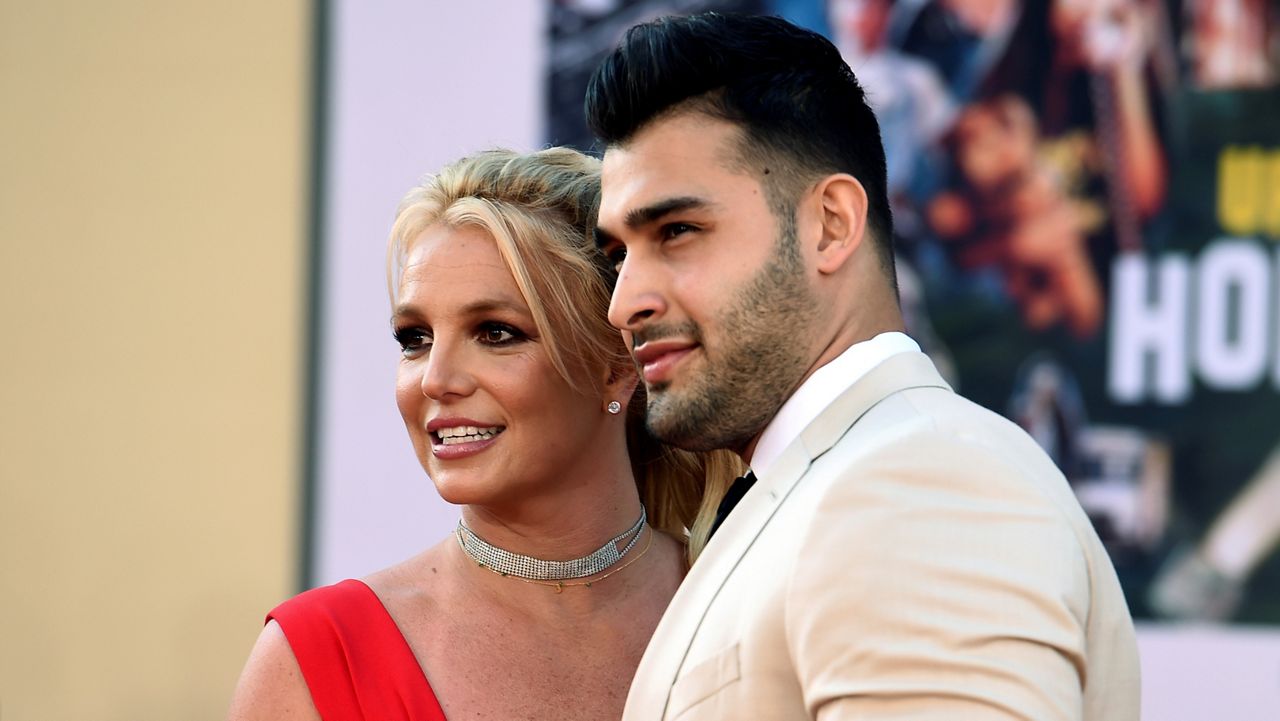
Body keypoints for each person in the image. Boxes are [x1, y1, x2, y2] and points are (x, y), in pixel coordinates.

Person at [586, 13, 1140, 720]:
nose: (624, 303)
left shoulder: (921, 485)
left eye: (677, 231)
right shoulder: (842, 482)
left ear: (832, 224)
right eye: (618, 255)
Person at [226, 148, 741, 720]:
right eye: (414, 338)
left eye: (495, 333)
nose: (437, 380)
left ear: (617, 365)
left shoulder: (750, 603)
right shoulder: (316, 658)